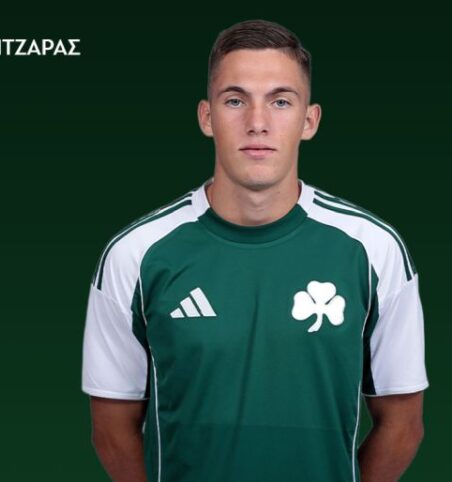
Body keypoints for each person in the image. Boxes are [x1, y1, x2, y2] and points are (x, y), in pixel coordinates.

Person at [82, 19, 428, 482]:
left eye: (280, 101)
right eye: (235, 100)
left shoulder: (374, 250)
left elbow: (403, 425)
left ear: (310, 120)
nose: (257, 123)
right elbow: (111, 429)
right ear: (207, 117)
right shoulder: (135, 255)